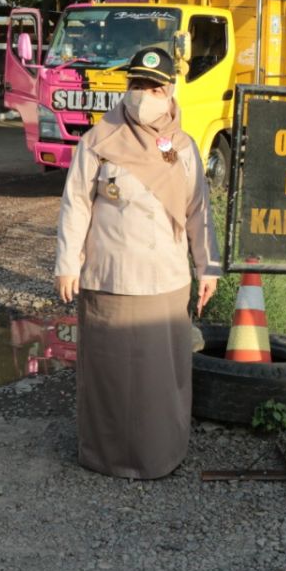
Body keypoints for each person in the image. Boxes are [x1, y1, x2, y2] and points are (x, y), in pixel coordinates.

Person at [54, 47, 220, 479]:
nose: (142, 95)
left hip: (165, 278)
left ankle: (159, 453)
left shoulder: (182, 147)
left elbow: (198, 211)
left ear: (168, 92)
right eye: (136, 85)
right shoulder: (98, 140)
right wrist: (67, 263)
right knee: (109, 374)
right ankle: (106, 455)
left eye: (152, 87)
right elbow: (75, 205)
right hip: (110, 276)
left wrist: (208, 267)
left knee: (156, 375)